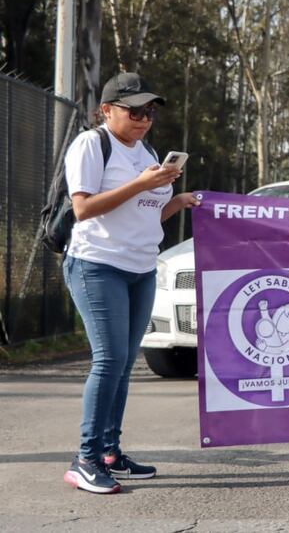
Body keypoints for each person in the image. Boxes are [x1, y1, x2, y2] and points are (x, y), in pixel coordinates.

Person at [61, 72, 200, 494]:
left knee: (123, 364)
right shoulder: (92, 145)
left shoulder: (148, 152)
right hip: (97, 265)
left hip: (141, 269)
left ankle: (109, 453)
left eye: (150, 112)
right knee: (108, 359)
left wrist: (176, 200)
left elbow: (146, 213)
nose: (143, 119)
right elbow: (83, 209)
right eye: (134, 111)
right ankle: (84, 459)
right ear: (107, 110)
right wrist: (141, 183)